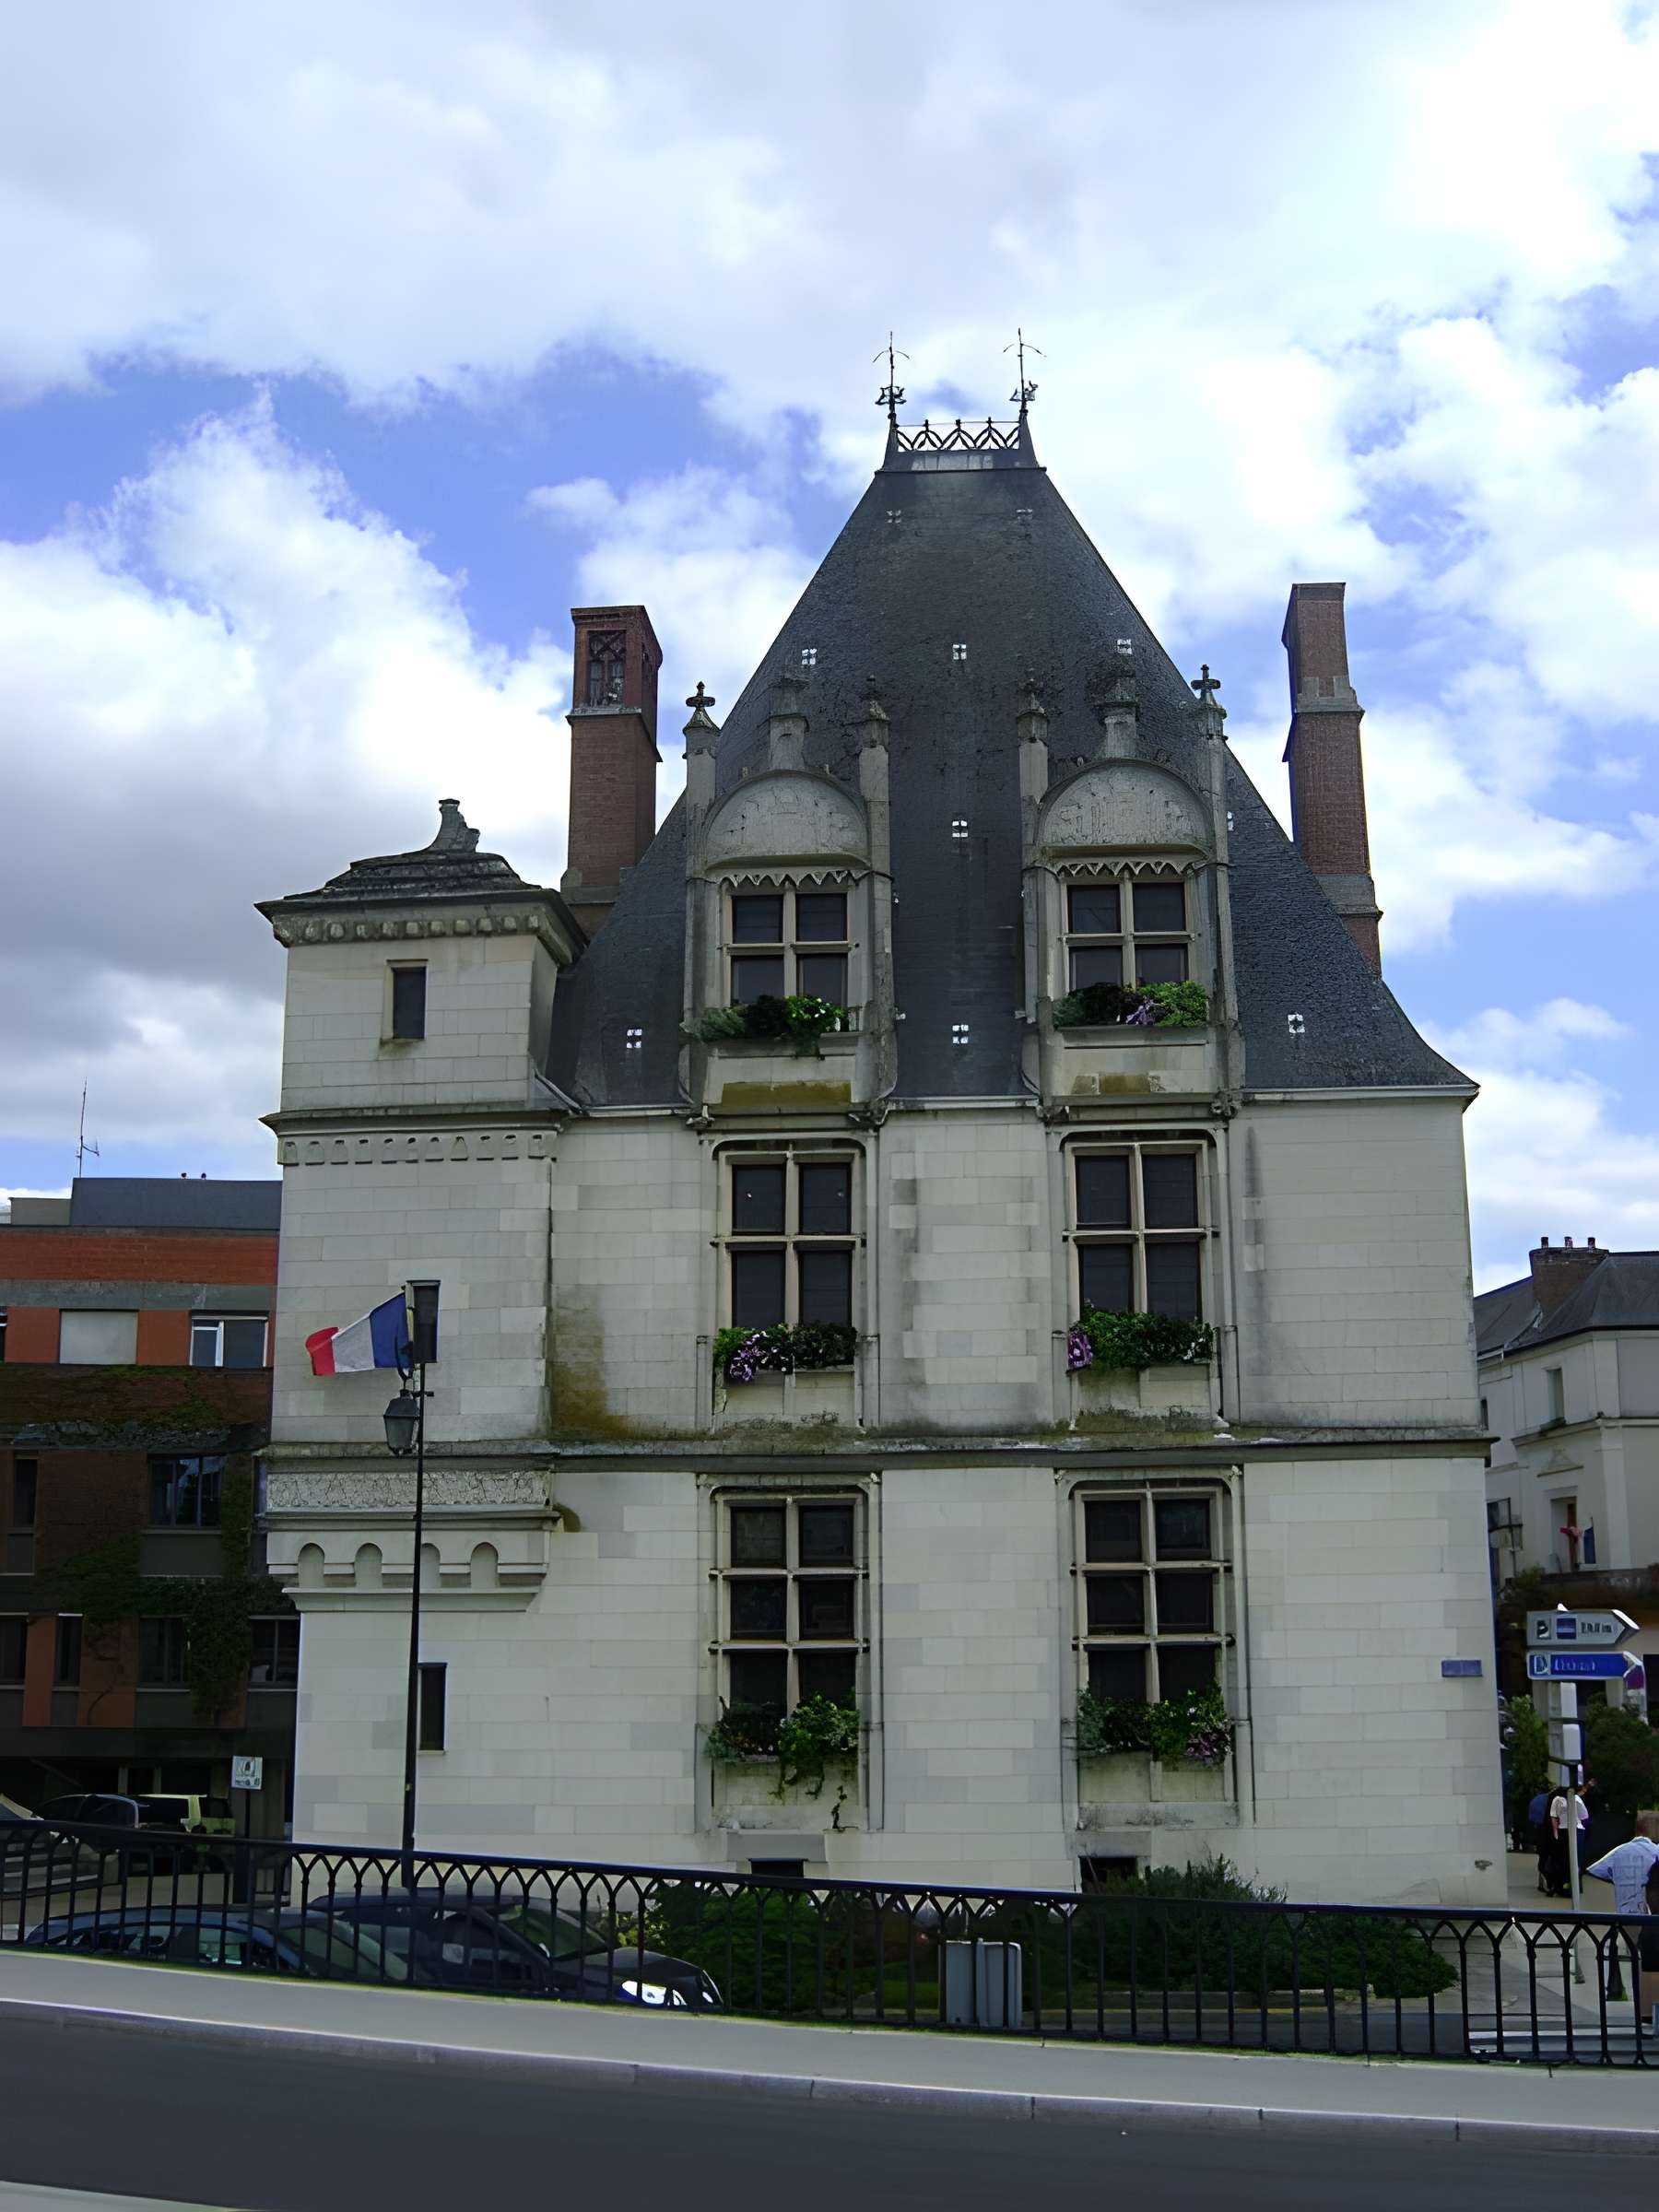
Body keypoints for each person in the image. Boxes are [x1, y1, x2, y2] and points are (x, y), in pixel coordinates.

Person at [1585, 1812, 1659, 2025]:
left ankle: (1642, 2009)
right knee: (1651, 1962)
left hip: (1625, 1914)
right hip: (1650, 1915)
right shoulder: (1656, 1851)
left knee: (1637, 1961)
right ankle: (1649, 2010)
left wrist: (1618, 1878)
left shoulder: (1619, 1851)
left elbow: (1595, 1870)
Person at [1546, 1778, 1592, 1900]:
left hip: (1564, 1829)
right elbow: (1584, 1816)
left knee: (1564, 1859)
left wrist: (1555, 1833)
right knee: (1575, 1859)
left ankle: (1564, 1885)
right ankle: (1573, 1886)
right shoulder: (1576, 1799)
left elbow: (1554, 1818)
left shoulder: (1558, 1800)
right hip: (1575, 1830)